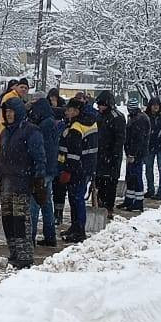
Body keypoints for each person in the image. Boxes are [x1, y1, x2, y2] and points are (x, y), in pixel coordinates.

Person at [0, 97, 48, 267]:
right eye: (6, 112)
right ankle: (14, 252)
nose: (9, 115)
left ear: (19, 112)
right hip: (6, 182)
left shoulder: (31, 131)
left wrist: (39, 179)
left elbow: (39, 157)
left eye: (11, 111)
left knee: (20, 220)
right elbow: (2, 155)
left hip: (22, 182)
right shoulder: (5, 133)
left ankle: (24, 255)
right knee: (8, 219)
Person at [61, 95, 98, 241]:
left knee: (76, 199)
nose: (66, 113)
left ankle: (79, 230)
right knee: (78, 198)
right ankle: (76, 227)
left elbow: (74, 153)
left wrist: (68, 171)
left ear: (76, 110)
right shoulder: (92, 122)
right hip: (88, 166)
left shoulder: (76, 127)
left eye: (69, 110)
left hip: (78, 169)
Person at [29, 92, 64, 247]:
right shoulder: (50, 121)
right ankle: (50, 236)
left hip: (42, 169)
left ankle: (30, 237)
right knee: (46, 202)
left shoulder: (42, 125)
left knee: (35, 203)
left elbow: (41, 149)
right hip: (50, 168)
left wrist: (38, 169)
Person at [92, 90, 126, 220]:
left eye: (102, 105)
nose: (100, 107)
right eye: (99, 105)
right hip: (99, 155)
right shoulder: (99, 116)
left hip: (111, 156)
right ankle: (99, 204)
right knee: (99, 183)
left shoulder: (117, 117)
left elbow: (119, 139)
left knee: (110, 184)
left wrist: (114, 156)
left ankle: (109, 208)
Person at [123, 98, 151, 211]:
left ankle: (138, 202)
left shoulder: (140, 119)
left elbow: (138, 139)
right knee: (130, 177)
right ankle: (129, 200)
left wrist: (133, 154)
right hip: (133, 152)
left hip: (137, 154)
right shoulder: (134, 117)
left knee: (136, 176)